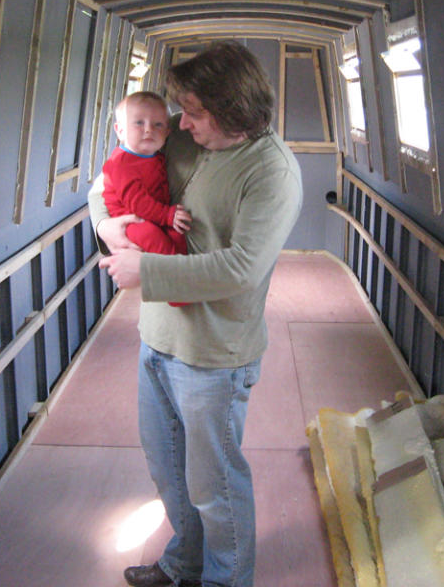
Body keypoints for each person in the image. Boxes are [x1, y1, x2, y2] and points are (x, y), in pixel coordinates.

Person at [89, 41, 302, 587]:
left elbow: (241, 269)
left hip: (214, 355)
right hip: (157, 339)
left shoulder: (272, 172)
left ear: (233, 112)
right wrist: (106, 227)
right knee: (170, 472)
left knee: (215, 485)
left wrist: (148, 273)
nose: (181, 122)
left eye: (196, 111)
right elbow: (108, 182)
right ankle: (184, 564)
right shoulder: (185, 140)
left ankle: (224, 580)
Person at [101, 91, 192, 256]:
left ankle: (180, 266)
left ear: (167, 132)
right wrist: (167, 215)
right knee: (151, 236)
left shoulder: (157, 157)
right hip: (130, 219)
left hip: (156, 216)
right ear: (120, 130)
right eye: (138, 123)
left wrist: (167, 217)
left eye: (158, 125)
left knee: (177, 235)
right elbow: (137, 203)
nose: (149, 130)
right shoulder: (121, 163)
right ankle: (172, 270)